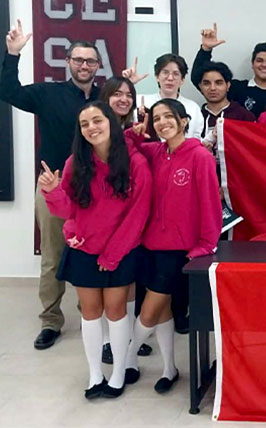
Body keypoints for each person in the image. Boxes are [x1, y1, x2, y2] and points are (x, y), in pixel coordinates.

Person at [38, 101, 152, 399]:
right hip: (84, 251)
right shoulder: (76, 163)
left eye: (97, 120)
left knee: (116, 311)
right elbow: (68, 210)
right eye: (85, 124)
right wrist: (52, 191)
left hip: (120, 252)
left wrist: (112, 255)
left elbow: (138, 215)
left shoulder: (135, 162)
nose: (92, 128)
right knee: (90, 313)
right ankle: (95, 373)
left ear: (111, 123)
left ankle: (117, 374)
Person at [0, 20, 101, 350]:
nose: (84, 65)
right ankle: (50, 321)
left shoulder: (106, 98)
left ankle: (92, 315)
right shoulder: (47, 93)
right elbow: (7, 91)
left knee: (95, 255)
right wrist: (12, 55)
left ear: (98, 65)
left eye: (90, 61)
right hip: (54, 188)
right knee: (53, 258)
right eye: (78, 60)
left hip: (97, 193)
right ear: (68, 62)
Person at [124, 98, 222, 394]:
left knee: (150, 310)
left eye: (169, 117)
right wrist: (135, 129)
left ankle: (125, 360)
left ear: (184, 121)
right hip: (150, 243)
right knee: (163, 309)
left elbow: (210, 203)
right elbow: (126, 144)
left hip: (178, 248)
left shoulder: (199, 156)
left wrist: (207, 243)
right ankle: (169, 369)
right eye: (156, 119)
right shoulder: (155, 152)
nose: (162, 123)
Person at [97, 76, 154, 363]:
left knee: (128, 282)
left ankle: (127, 335)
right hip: (103, 219)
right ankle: (107, 341)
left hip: (131, 218)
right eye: (117, 94)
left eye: (128, 95)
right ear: (105, 97)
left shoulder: (133, 130)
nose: (123, 99)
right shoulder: (96, 127)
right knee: (106, 284)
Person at [191, 23, 266, 117]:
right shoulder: (236, 89)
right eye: (259, 60)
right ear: (252, 64)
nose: (264, 65)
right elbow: (198, 78)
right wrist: (206, 49)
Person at [196, 61, 255, 160]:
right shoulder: (195, 117)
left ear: (228, 86)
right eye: (206, 83)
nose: (212, 88)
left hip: (235, 174)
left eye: (218, 83)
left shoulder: (244, 117)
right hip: (203, 173)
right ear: (200, 87)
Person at [137, 53, 204, 139]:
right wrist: (130, 83)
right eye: (165, 72)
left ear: (182, 80)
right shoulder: (141, 101)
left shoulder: (193, 108)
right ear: (157, 76)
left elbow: (196, 138)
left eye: (176, 74)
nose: (170, 78)